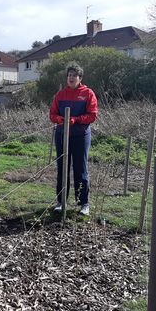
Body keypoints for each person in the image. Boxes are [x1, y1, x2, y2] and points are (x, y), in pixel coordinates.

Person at [49, 63, 98, 216]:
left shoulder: (88, 93)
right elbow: (52, 114)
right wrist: (60, 119)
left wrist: (75, 120)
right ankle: (61, 201)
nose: (71, 78)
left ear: (80, 78)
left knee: (80, 169)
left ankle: (83, 203)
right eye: (69, 75)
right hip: (62, 135)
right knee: (62, 168)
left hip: (81, 136)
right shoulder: (60, 94)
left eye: (74, 75)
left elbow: (92, 115)